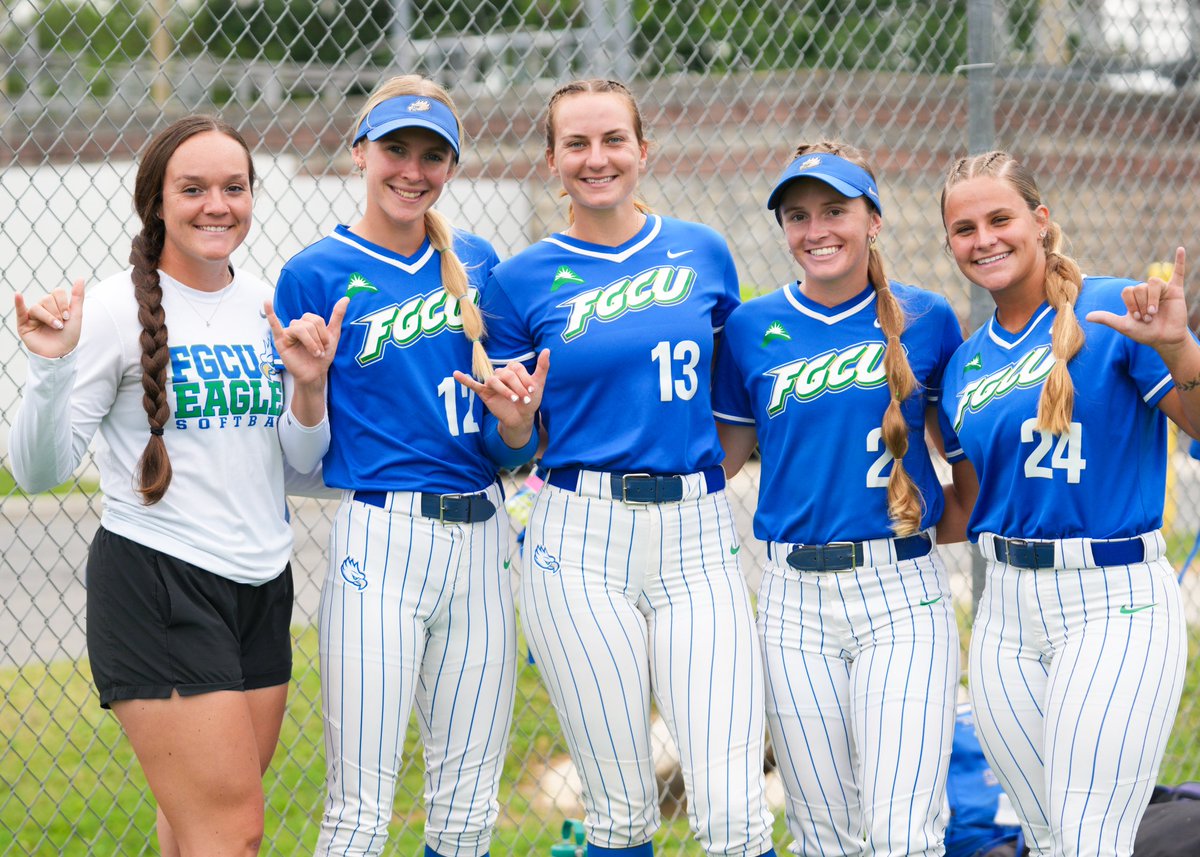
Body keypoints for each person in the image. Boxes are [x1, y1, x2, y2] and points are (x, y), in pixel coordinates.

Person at [9, 115, 341, 856]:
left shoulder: (268, 302)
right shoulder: (112, 312)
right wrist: (50, 367)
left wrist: (310, 390)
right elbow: (38, 471)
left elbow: (301, 466)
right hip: (160, 585)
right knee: (232, 830)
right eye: (192, 188)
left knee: (195, 827)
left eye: (234, 187)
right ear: (156, 201)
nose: (216, 204)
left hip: (261, 584)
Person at [479, 78, 776, 857]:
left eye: (613, 139)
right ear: (551, 160)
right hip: (580, 534)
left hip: (696, 532)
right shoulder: (520, 280)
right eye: (575, 142)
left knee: (734, 805)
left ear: (644, 151)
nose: (596, 156)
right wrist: (513, 426)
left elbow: (730, 402)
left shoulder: (702, 250)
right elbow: (509, 442)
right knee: (618, 811)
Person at [272, 75, 544, 857]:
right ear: (361, 151)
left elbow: (510, 449)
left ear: (451, 167)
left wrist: (521, 426)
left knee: (466, 816)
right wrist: (311, 385)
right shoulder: (315, 272)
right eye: (395, 148)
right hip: (383, 536)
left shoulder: (481, 264)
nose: (412, 170)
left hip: (484, 535)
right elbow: (302, 459)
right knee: (359, 812)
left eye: (433, 155)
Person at [712, 141, 975, 856]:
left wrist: (941, 526)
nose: (816, 229)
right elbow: (727, 455)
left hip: (901, 589)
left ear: (874, 220)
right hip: (793, 597)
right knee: (820, 831)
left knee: (901, 829)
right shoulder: (748, 327)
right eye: (797, 215)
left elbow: (962, 454)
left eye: (835, 210)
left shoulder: (926, 318)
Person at [938, 150, 1199, 857]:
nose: (983, 239)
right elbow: (967, 503)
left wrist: (1178, 348)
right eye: (964, 228)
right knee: (1048, 836)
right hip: (1006, 611)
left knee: (1091, 837)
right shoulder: (966, 363)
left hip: (1112, 596)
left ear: (1040, 220)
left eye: (1000, 218)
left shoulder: (1118, 310)